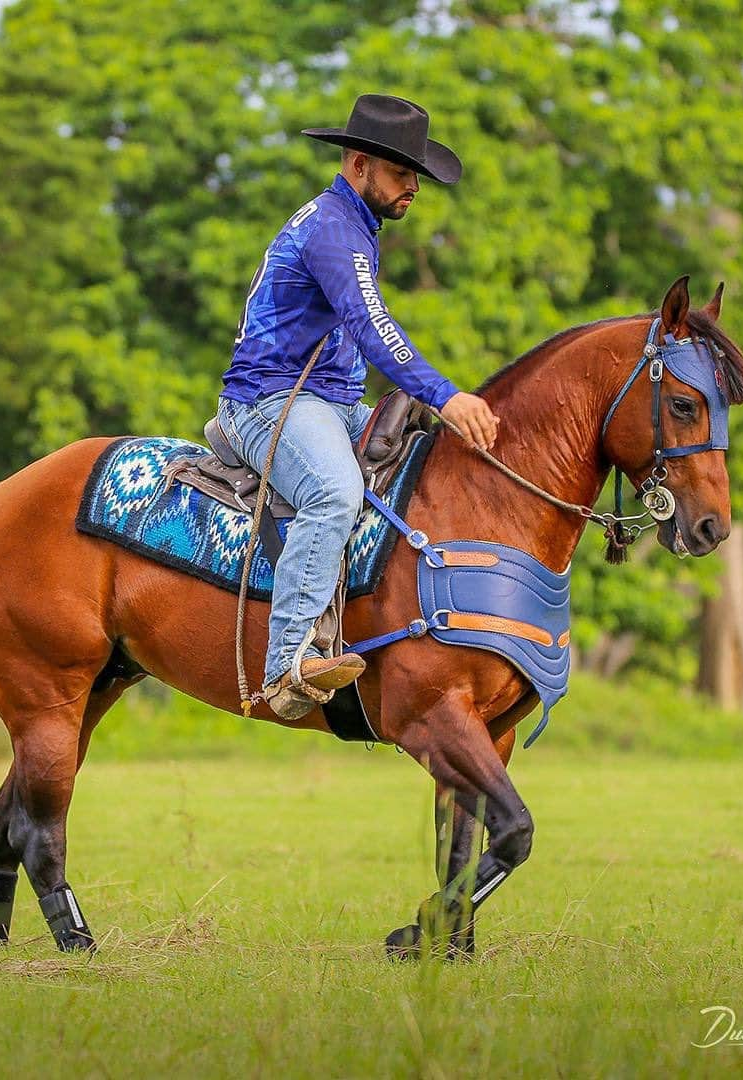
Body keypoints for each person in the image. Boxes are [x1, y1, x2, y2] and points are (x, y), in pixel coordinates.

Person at [215, 93, 499, 718]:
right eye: (402, 173)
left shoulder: (354, 228)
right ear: (358, 163)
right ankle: (286, 664)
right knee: (335, 493)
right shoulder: (332, 230)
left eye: (416, 177)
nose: (413, 188)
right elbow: (373, 329)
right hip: (270, 402)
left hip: (329, 404)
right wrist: (446, 395)